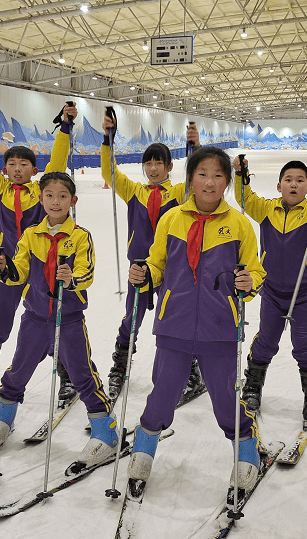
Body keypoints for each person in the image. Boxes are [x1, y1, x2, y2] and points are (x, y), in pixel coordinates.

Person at [124, 146, 267, 497]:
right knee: (162, 394)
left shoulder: (239, 224)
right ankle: (143, 450)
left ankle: (247, 449)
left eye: (218, 175)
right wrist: (145, 274)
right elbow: (158, 264)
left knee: (224, 400)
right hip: (174, 323)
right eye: (202, 174)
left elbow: (255, 270)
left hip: (219, 328)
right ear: (190, 179)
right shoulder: (172, 220)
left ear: (227, 183)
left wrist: (250, 283)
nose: (209, 182)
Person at [0, 96, 76, 411]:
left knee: (50, 322)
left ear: (33, 169)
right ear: (5, 169)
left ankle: (68, 375)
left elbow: (58, 162)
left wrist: (65, 127)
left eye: (23, 164)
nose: (17, 168)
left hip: (40, 270)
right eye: (11, 164)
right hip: (6, 268)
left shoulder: (42, 191)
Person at [0, 172, 112, 464]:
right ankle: (4, 418)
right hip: (35, 319)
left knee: (82, 375)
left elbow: (87, 272)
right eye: (50, 195)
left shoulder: (80, 236)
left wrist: (71, 279)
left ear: (73, 201)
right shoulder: (31, 235)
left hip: (68, 320)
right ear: (40, 199)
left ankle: (106, 430)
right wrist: (3, 269)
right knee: (18, 371)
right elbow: (18, 271)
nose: (56, 202)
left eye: (63, 196)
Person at [233, 157, 307, 421]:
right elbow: (244, 198)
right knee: (266, 341)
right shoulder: (265, 209)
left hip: (305, 293)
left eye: (300, 181)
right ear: (279, 186)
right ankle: (252, 386)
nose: (293, 184)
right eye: (288, 180)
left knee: (303, 344)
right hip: (272, 292)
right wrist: (241, 174)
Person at [100, 113, 205, 405]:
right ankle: (120, 365)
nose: (153, 167)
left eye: (159, 162)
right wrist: (108, 139)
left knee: (174, 321)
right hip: (139, 270)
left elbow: (195, 177)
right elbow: (110, 173)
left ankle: (191, 371)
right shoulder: (135, 191)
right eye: (149, 162)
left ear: (169, 166)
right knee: (131, 319)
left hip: (172, 270)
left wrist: (193, 148)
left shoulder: (180, 192)